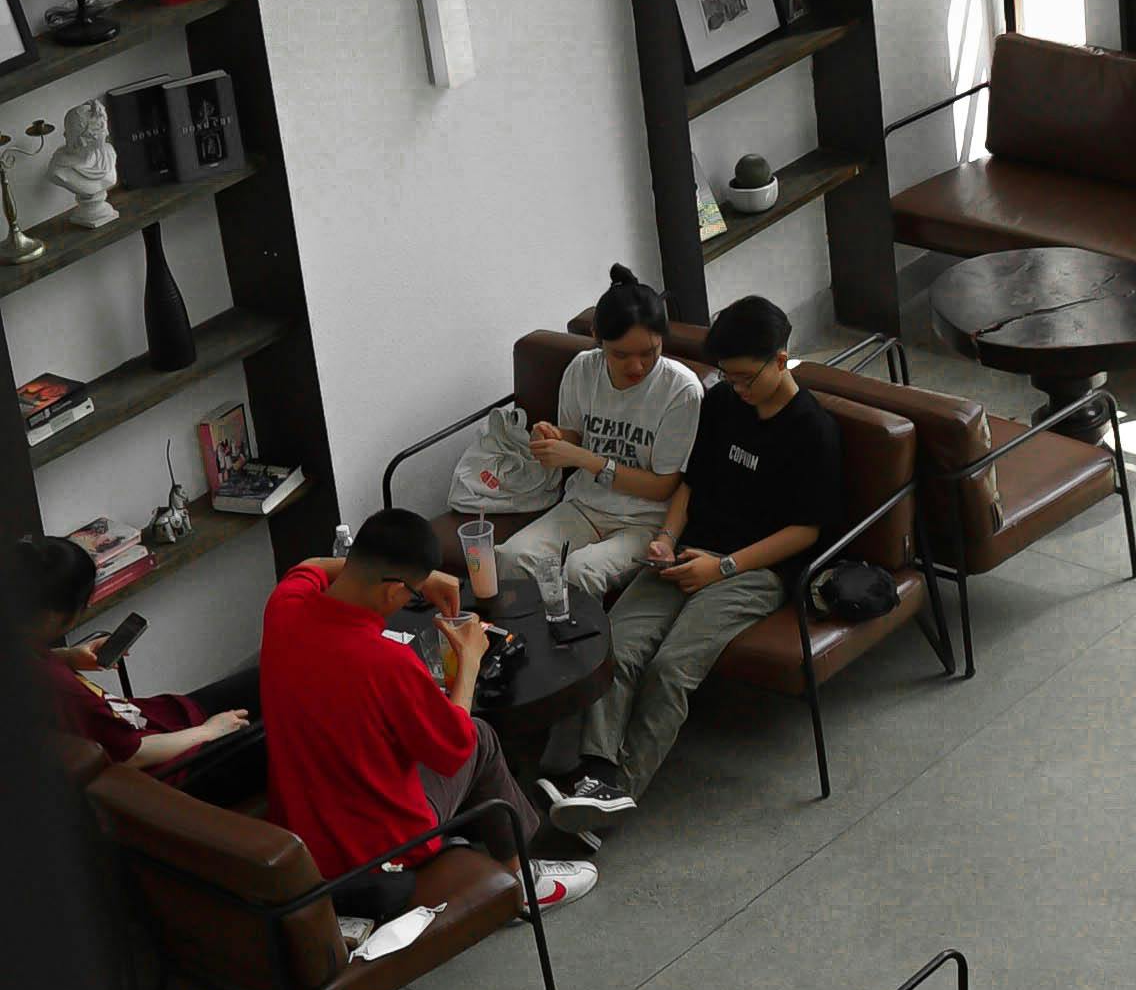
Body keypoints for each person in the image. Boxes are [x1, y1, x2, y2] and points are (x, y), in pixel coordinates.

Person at [544, 294, 845, 825]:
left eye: (747, 377)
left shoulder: (811, 430)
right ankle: (597, 773)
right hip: (686, 551)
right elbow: (691, 484)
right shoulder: (724, 403)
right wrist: (665, 539)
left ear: (781, 359)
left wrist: (723, 567)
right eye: (728, 377)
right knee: (615, 645)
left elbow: (806, 530)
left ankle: (617, 793)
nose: (738, 388)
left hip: (753, 571)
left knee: (670, 667)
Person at [258, 508, 598, 917]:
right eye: (412, 592)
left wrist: (421, 578)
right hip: (381, 848)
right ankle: (525, 882)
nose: (414, 596)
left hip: (303, 828)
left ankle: (481, 838)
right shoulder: (388, 663)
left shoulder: (284, 606)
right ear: (391, 592)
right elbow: (455, 748)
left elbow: (309, 566)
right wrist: (470, 659)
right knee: (480, 738)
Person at [495, 267, 702, 607]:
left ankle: (580, 655)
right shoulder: (583, 369)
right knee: (512, 558)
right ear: (597, 337)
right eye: (621, 354)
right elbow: (576, 436)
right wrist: (553, 436)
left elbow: (663, 486)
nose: (637, 367)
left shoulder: (681, 390)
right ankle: (526, 650)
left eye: (650, 352)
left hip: (643, 521)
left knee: (580, 572)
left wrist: (582, 459)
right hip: (583, 506)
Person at [22, 533, 264, 801]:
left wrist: (68, 656)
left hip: (154, 718)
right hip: (171, 770)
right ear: (58, 614)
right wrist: (210, 731)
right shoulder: (64, 690)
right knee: (281, 736)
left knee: (265, 681)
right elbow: (135, 755)